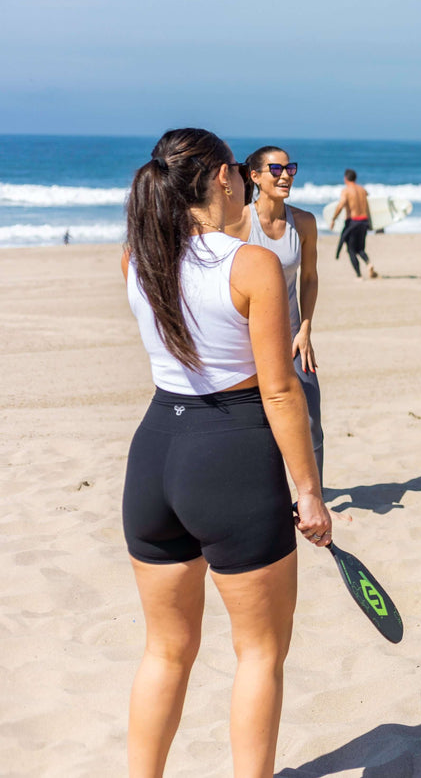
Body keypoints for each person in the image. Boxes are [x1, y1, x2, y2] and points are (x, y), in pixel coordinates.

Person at [121, 128, 331, 777]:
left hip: (155, 454)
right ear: (220, 177)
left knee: (164, 650)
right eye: (237, 170)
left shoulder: (138, 255)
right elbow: (278, 389)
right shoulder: (251, 264)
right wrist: (309, 490)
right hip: (231, 455)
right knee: (260, 652)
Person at [226, 146, 326, 484]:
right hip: (249, 337)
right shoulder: (237, 223)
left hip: (293, 335)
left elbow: (309, 278)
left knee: (309, 415)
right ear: (254, 176)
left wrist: (306, 329)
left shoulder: (304, 223)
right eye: (276, 169)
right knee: (256, 420)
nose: (285, 175)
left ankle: (314, 498)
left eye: (290, 168)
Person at [329, 169, 378, 279]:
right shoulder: (363, 190)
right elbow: (370, 205)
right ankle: (369, 263)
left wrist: (333, 218)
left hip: (353, 222)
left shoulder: (346, 191)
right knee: (360, 249)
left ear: (345, 178)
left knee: (351, 250)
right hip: (364, 222)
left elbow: (341, 205)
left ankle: (359, 275)